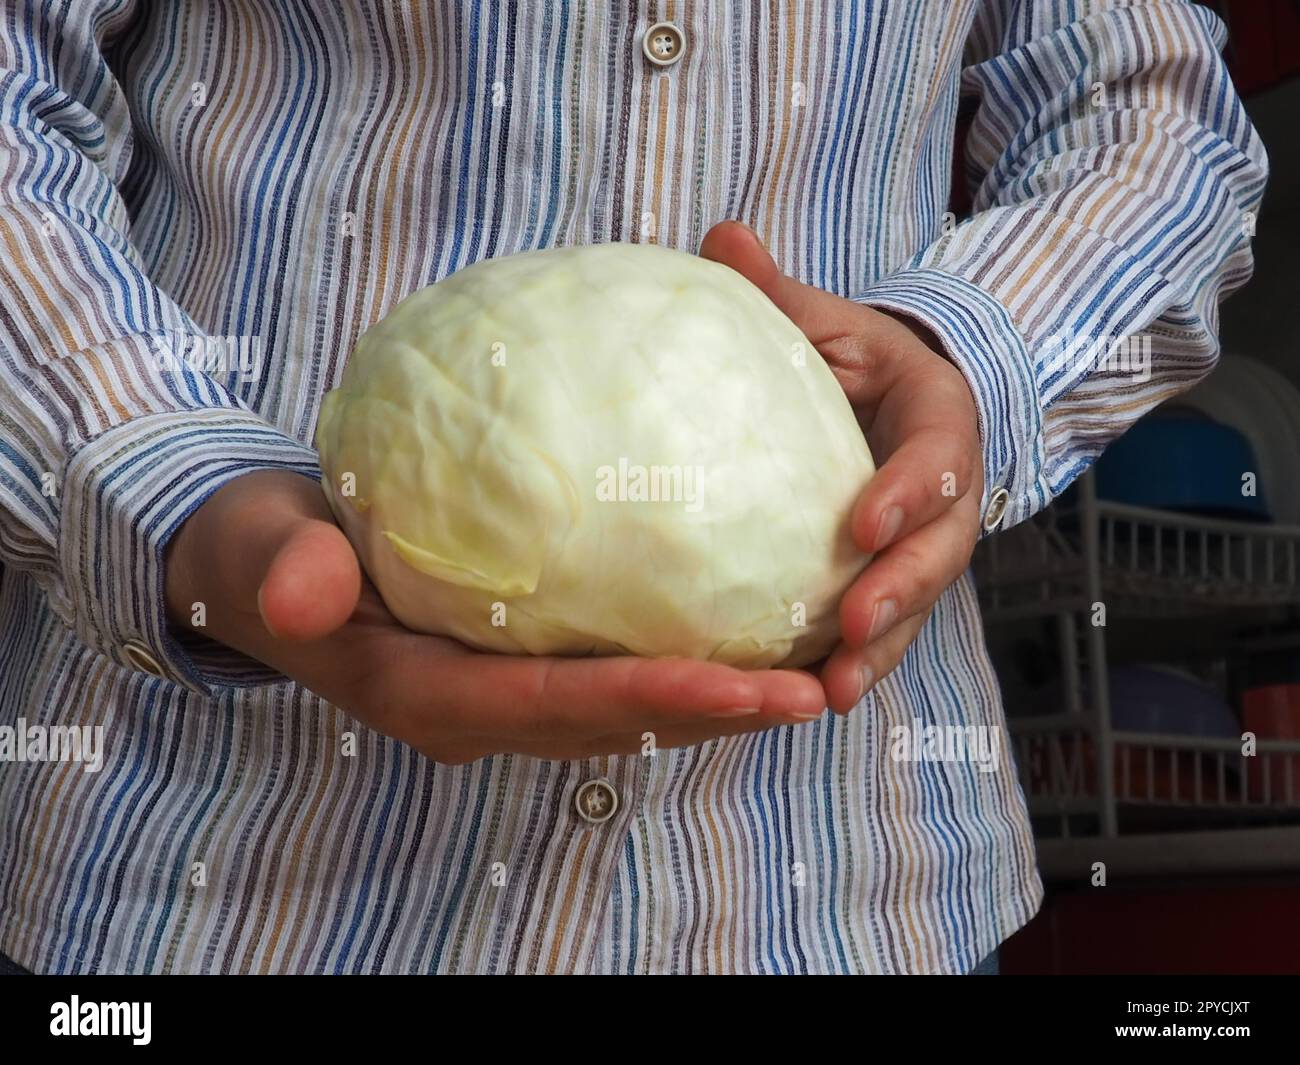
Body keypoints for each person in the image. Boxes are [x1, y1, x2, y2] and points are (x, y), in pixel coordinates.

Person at [0, 1, 1265, 974]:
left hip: (841, 889)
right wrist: (172, 487)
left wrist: (964, 360)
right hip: (212, 883)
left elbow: (1150, 115)